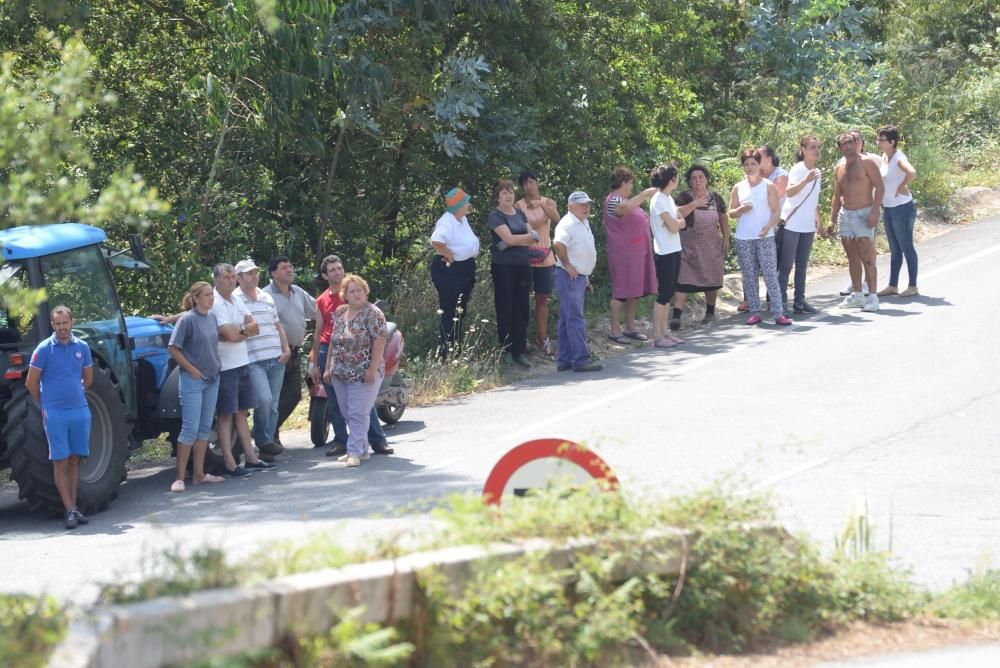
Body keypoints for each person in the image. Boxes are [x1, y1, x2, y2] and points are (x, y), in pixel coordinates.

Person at [309, 255, 393, 457]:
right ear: (324, 275)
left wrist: (372, 367)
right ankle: (344, 441)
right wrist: (315, 361)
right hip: (332, 355)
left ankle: (375, 441)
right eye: (332, 270)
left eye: (339, 268)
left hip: (361, 363)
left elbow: (379, 339)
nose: (337, 272)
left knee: (360, 406)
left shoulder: (366, 307)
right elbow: (320, 331)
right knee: (342, 405)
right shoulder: (325, 302)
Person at [25, 306, 93, 529]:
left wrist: (76, 393)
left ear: (72, 322)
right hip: (55, 414)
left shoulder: (82, 347)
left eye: (65, 323)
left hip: (80, 411)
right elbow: (30, 382)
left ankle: (74, 507)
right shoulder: (44, 349)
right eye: (58, 324)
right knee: (60, 461)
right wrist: (45, 405)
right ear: (52, 325)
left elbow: (88, 379)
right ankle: (69, 510)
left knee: (74, 460)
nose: (62, 327)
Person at [210, 263, 275, 475]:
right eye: (227, 277)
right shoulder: (216, 302)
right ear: (217, 279)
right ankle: (229, 463)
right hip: (225, 367)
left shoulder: (236, 300)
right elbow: (228, 335)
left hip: (242, 362)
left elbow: (254, 325)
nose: (231, 280)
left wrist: (240, 331)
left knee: (242, 413)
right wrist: (243, 331)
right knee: (226, 415)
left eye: (232, 277)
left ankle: (251, 458)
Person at [322, 274, 388, 467]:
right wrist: (328, 368)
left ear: (365, 292)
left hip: (364, 372)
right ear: (345, 295)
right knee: (347, 412)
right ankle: (362, 448)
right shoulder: (342, 312)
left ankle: (354, 451)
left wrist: (372, 369)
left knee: (358, 412)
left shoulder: (373, 313)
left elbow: (380, 341)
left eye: (359, 290)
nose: (357, 294)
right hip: (340, 372)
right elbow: (333, 342)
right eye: (352, 291)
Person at [167, 283, 226, 492]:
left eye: (212, 294)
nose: (211, 298)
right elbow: (173, 348)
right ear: (196, 298)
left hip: (212, 378)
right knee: (189, 429)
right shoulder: (187, 319)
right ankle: (180, 478)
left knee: (204, 428)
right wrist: (191, 369)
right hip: (193, 381)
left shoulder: (211, 317)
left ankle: (199, 475)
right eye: (208, 295)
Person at [728, 149, 792, 326]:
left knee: (770, 274)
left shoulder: (768, 185)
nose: (749, 167)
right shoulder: (739, 187)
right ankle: (755, 311)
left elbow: (775, 211)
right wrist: (740, 210)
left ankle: (778, 312)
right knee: (749, 275)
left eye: (753, 164)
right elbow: (731, 212)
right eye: (746, 164)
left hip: (764, 236)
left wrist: (769, 226)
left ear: (759, 165)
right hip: (744, 237)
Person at [234, 259, 291, 460]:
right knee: (263, 399)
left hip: (276, 357)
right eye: (249, 273)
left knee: (273, 404)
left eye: (256, 272)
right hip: (253, 359)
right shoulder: (233, 299)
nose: (254, 276)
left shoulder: (266, 296)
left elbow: (278, 325)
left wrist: (286, 349)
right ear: (238, 278)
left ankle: (266, 446)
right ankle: (262, 439)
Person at [262, 256, 317, 448]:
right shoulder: (265, 295)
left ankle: (266, 432)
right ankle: (269, 438)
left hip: (295, 352)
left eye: (290, 266)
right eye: (284, 267)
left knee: (293, 395)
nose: (289, 270)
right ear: (273, 273)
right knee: (272, 398)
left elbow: (317, 311)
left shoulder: (298, 292)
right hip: (274, 354)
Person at [829, 132, 885, 313]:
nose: (848, 146)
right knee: (852, 258)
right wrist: (831, 219)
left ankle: (873, 297)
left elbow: (880, 187)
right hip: (846, 215)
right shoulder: (840, 168)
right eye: (843, 144)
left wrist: (875, 212)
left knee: (867, 257)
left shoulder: (866, 162)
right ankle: (858, 295)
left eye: (850, 142)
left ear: (856, 143)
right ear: (839, 148)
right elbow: (837, 195)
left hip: (864, 213)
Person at [603, 166, 658, 344]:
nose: (631, 186)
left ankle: (630, 327)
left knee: (634, 291)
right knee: (621, 291)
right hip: (623, 254)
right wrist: (644, 194)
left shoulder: (626, 199)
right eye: (630, 183)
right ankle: (615, 330)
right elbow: (622, 210)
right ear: (623, 182)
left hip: (636, 253)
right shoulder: (613, 200)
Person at [673, 165, 731, 328]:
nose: (697, 180)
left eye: (700, 177)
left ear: (706, 179)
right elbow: (677, 214)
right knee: (683, 281)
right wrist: (694, 204)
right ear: (689, 182)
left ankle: (710, 313)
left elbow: (723, 218)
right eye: (693, 178)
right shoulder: (684, 197)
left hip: (711, 246)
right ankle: (676, 316)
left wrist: (726, 237)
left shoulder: (716, 198)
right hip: (689, 246)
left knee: (711, 281)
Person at [488, 178, 537, 367]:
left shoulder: (519, 212)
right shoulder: (495, 215)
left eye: (510, 191)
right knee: (505, 307)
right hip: (503, 267)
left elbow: (535, 236)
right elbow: (512, 237)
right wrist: (514, 240)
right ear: (498, 197)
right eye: (504, 192)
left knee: (522, 308)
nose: (508, 195)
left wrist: (509, 242)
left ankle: (520, 350)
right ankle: (506, 350)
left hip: (523, 265)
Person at [553, 192, 603, 372]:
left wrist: (585, 276)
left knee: (568, 318)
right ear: (570, 206)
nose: (586, 207)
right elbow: (558, 244)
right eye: (581, 204)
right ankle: (581, 360)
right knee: (575, 318)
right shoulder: (567, 223)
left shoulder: (583, 222)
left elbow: (580, 251)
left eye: (587, 204)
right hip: (569, 277)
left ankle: (564, 360)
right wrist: (567, 264)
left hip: (577, 277)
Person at [430, 187, 479, 360]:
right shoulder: (447, 220)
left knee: (460, 311)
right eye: (466, 203)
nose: (468, 206)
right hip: (450, 270)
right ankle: (445, 353)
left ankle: (455, 349)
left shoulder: (462, 219)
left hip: (464, 268)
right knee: (450, 310)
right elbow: (437, 240)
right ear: (458, 205)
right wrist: (448, 254)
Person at [515, 170, 560, 357]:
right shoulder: (518, 205)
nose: (528, 186)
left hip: (545, 257)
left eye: (531, 182)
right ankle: (521, 339)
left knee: (543, 299)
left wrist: (542, 204)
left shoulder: (547, 201)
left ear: (537, 182)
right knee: (522, 300)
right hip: (525, 257)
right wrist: (543, 218)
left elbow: (557, 218)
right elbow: (522, 227)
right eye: (524, 183)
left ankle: (542, 338)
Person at [778, 134, 824, 313]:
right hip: (792, 223)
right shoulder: (798, 169)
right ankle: (780, 300)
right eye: (812, 147)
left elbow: (813, 200)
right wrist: (806, 180)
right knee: (786, 264)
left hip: (807, 225)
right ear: (803, 150)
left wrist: (818, 221)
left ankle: (799, 301)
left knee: (802, 264)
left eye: (818, 147)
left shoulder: (818, 172)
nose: (816, 150)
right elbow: (789, 192)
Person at [876, 125, 919, 297]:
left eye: (882, 139)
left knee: (906, 247)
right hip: (889, 208)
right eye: (878, 138)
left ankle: (913, 286)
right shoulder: (885, 156)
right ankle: (893, 285)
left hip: (902, 209)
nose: (878, 142)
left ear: (892, 142)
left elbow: (912, 172)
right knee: (894, 249)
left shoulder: (898, 158)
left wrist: (902, 186)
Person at [648, 165, 686, 348]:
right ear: (671, 179)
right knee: (663, 295)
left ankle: (664, 332)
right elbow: (674, 225)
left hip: (674, 248)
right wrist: (678, 223)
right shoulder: (658, 200)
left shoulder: (668, 198)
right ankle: (657, 335)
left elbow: (680, 221)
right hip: (663, 252)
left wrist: (678, 223)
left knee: (669, 293)